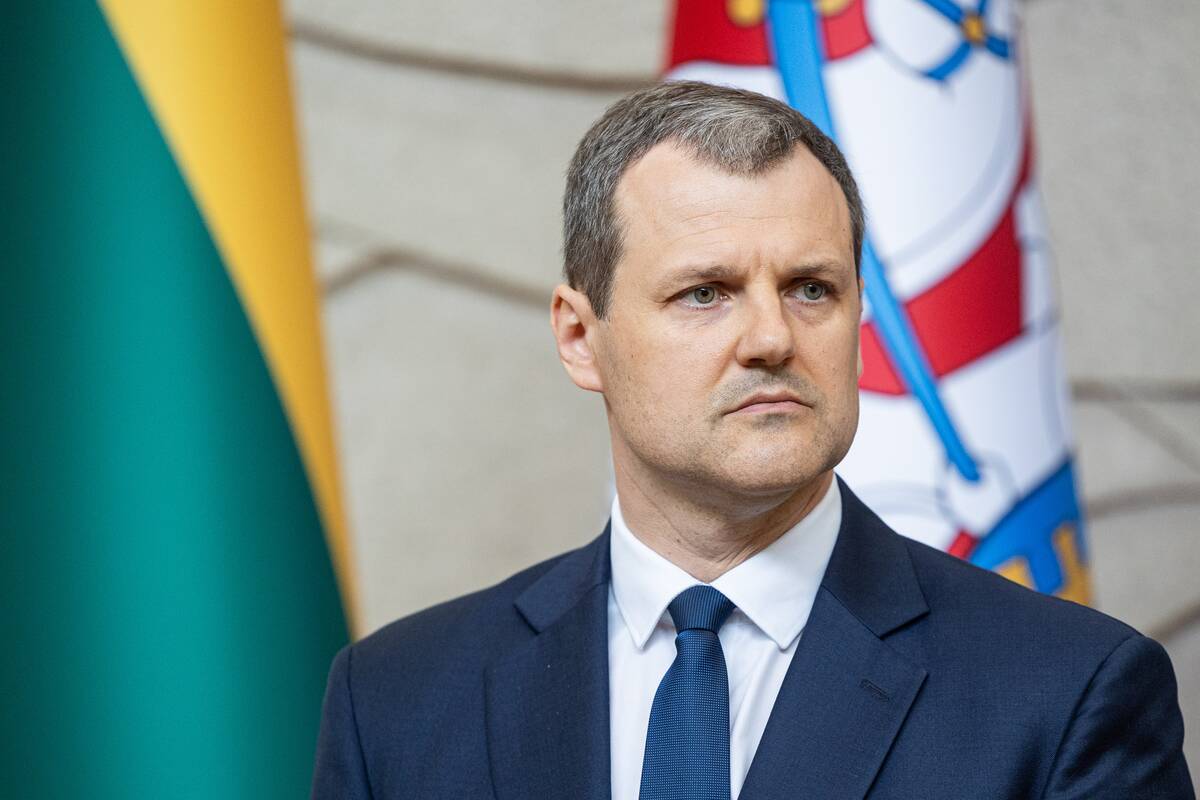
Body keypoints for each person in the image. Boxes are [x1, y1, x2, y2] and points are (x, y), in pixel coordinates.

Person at [311, 81, 1193, 799]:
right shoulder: (395, 700)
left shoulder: (1067, 693)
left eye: (812, 289)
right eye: (706, 292)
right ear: (581, 338)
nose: (772, 337)